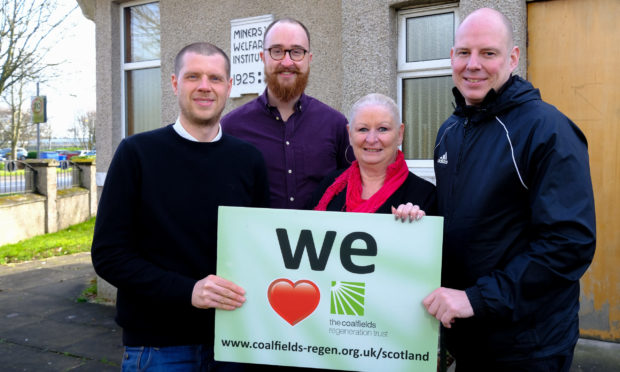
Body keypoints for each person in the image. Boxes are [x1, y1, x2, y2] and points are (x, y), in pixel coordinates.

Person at [424, 8, 596, 371]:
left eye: (488, 53)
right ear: (452, 56)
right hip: (468, 335)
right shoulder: (450, 131)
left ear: (513, 58)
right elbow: (463, 221)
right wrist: (416, 221)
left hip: (528, 346)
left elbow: (569, 245)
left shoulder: (548, 130)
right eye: (463, 52)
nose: (473, 65)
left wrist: (476, 299)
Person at [91, 42, 269, 371]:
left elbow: (262, 251)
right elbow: (109, 255)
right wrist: (189, 291)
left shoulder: (249, 160)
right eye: (193, 77)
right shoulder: (136, 154)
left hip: (233, 343)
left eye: (215, 78)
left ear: (229, 87)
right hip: (159, 347)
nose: (205, 86)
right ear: (175, 83)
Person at [222, 17, 352, 210]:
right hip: (256, 239)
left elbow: (358, 188)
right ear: (263, 57)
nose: (287, 61)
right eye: (277, 51)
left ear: (309, 59)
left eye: (297, 52)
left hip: (319, 239)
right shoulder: (231, 127)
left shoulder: (336, 124)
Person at [310, 93, 436, 219]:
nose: (371, 139)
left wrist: (417, 224)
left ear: (399, 134)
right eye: (363, 129)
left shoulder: (425, 196)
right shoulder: (328, 185)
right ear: (349, 134)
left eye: (382, 129)